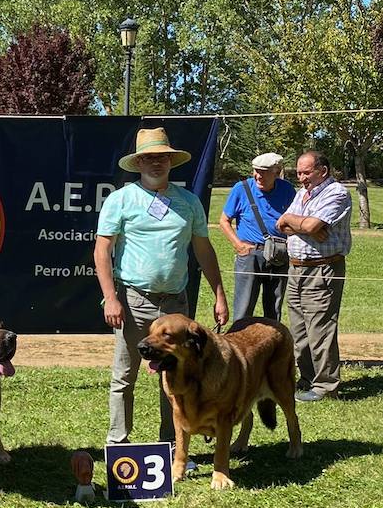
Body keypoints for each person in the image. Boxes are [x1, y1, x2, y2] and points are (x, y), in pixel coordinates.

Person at [93, 127, 229, 445]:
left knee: (177, 377)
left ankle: (171, 445)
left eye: (163, 158)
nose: (157, 163)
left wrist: (220, 294)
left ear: (171, 162)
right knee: (124, 376)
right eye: (150, 158)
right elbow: (102, 250)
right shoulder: (120, 200)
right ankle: (118, 444)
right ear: (139, 163)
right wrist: (110, 298)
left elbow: (203, 250)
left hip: (175, 307)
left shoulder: (189, 202)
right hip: (132, 300)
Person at [275, 151, 353, 402]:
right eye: (298, 173)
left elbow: (308, 226)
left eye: (306, 172)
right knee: (299, 329)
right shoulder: (302, 194)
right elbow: (281, 224)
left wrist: (300, 225)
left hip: (323, 268)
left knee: (320, 328)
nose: (301, 178)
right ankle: (307, 379)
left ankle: (326, 386)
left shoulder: (337, 193)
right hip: (295, 268)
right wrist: (299, 223)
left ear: (323, 170)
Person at [219, 152, 296, 321]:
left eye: (263, 171)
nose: (257, 175)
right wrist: (238, 245)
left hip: (279, 254)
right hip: (250, 255)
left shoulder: (287, 189)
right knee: (243, 309)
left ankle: (273, 344)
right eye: (255, 171)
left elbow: (295, 219)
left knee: (274, 309)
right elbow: (224, 221)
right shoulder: (242, 188)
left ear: (277, 172)